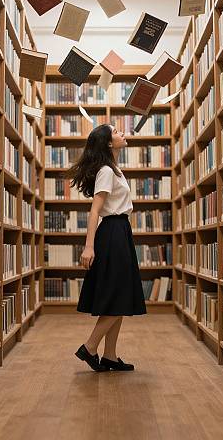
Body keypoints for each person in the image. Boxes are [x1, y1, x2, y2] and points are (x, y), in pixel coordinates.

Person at [64, 123, 147, 372]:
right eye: (116, 132)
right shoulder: (107, 172)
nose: (122, 133)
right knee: (117, 296)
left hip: (120, 231)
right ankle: (90, 348)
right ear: (109, 143)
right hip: (112, 232)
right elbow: (95, 211)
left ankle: (110, 356)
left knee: (119, 297)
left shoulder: (114, 169)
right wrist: (88, 247)